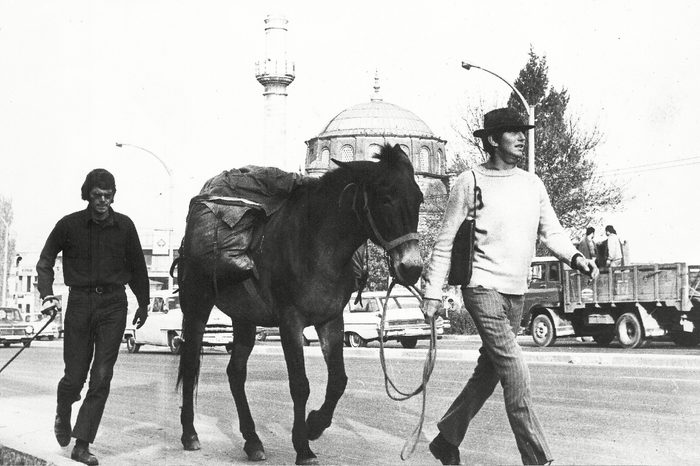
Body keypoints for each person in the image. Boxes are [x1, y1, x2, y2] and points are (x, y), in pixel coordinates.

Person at [421, 108, 599, 465]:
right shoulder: (469, 182)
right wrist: (432, 293)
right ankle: (538, 459)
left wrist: (577, 258)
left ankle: (447, 438)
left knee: (489, 372)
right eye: (512, 132)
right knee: (516, 372)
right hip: (481, 288)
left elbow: (552, 232)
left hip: (515, 293)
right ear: (491, 140)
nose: (521, 137)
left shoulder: (532, 183)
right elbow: (444, 241)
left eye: (523, 131)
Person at [36, 169, 150, 465]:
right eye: (97, 195)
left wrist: (144, 302)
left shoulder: (125, 226)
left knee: (101, 376)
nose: (102, 200)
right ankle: (64, 409)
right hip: (80, 304)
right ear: (87, 194)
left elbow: (138, 267)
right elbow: (45, 262)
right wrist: (47, 293)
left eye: (108, 195)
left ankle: (82, 443)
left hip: (114, 304)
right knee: (74, 377)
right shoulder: (69, 225)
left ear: (114, 195)